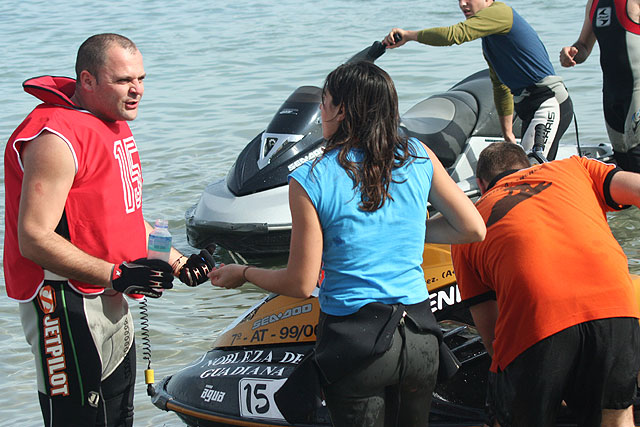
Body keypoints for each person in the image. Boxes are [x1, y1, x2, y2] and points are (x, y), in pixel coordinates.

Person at [208, 61, 486, 427]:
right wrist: (406, 230)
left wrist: (243, 272)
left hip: (358, 346)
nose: (320, 113)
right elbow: (472, 228)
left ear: (341, 110)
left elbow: (301, 283)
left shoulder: (310, 177)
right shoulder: (418, 155)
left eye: (323, 104)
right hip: (421, 339)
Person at [3, 33, 214, 427]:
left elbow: (123, 215)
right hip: (61, 301)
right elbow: (33, 238)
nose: (136, 91)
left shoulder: (110, 124)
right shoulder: (54, 137)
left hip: (110, 292)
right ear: (87, 80)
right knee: (78, 419)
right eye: (122, 81)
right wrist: (117, 273)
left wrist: (177, 260)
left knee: (119, 415)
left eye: (141, 79)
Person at [450, 142, 640, 426]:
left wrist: (510, 377)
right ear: (528, 165)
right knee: (616, 415)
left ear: (481, 184)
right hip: (616, 307)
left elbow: (489, 325)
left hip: (540, 320)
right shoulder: (576, 167)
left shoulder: (470, 223)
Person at [384, 0, 573, 161]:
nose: (462, 4)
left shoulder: (500, 13)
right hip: (530, 109)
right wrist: (507, 133)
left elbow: (454, 35)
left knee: (532, 171)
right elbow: (501, 87)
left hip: (549, 103)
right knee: (526, 171)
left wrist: (409, 36)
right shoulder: (490, 42)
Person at [559, 0, 640, 172]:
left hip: (637, 90)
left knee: (637, 154)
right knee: (622, 158)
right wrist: (572, 53)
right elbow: (584, 46)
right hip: (611, 93)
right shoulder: (594, 3)